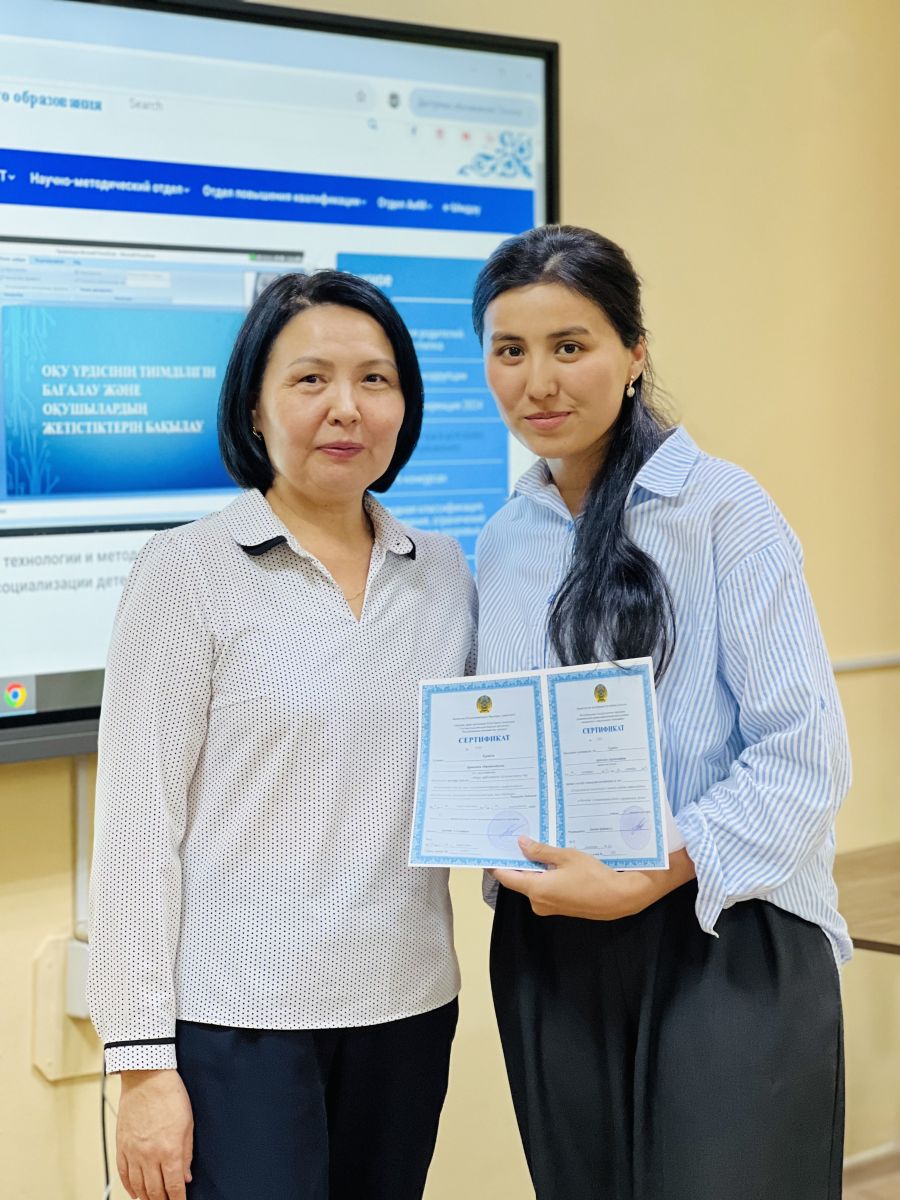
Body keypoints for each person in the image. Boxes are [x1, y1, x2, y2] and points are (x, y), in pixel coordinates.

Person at [472, 225, 850, 1200]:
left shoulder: (724, 510)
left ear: (634, 353)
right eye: (510, 351)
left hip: (722, 928)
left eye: (570, 345)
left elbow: (804, 758)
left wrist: (656, 869)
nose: (538, 382)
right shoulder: (504, 540)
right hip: (553, 947)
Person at [88, 271, 476, 1200]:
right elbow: (137, 829)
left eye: (375, 379)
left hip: (407, 1008)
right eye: (310, 380)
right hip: (238, 1025)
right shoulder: (187, 570)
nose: (347, 407)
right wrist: (140, 1064)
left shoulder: (443, 574)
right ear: (255, 410)